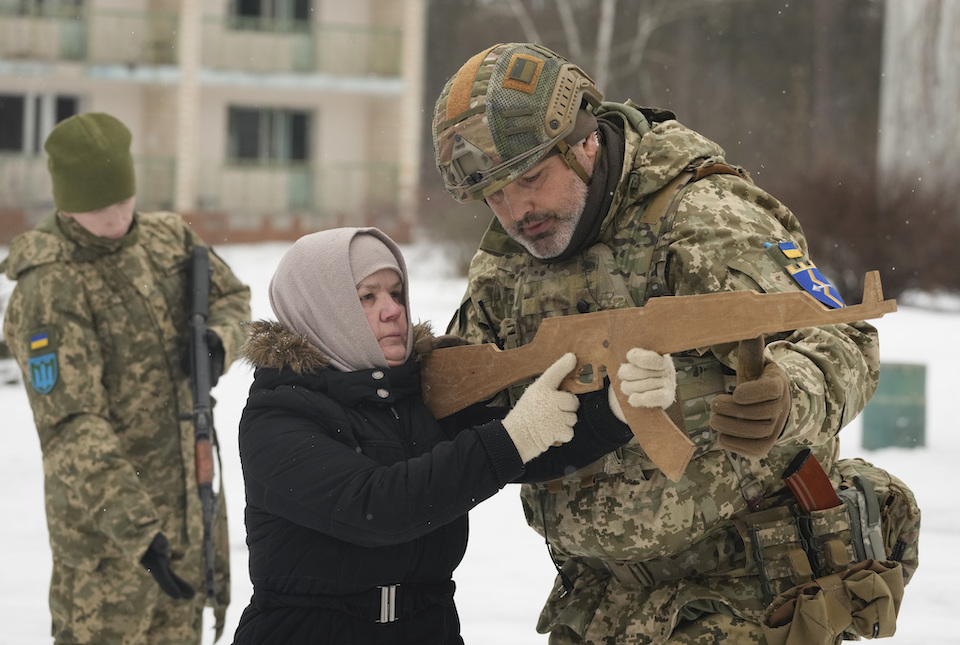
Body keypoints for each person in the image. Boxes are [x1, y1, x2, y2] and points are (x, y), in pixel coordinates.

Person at [432, 43, 918, 643]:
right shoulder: (504, 264)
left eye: (531, 178)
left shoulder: (700, 214)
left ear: (584, 141)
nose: (516, 210)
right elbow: (456, 386)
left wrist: (790, 395)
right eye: (495, 195)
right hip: (597, 602)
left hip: (744, 593)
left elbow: (838, 333)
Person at [230, 226, 675, 644]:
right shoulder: (278, 414)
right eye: (367, 297)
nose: (393, 310)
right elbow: (376, 506)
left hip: (428, 626)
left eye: (396, 292)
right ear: (322, 310)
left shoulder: (418, 392)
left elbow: (534, 447)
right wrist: (515, 434)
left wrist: (616, 409)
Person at [1, 112, 251, 644]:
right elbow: (72, 428)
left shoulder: (165, 239)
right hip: (108, 551)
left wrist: (218, 342)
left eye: (122, 199)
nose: (115, 217)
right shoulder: (50, 288)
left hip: (189, 514)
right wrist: (139, 535)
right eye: (97, 206)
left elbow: (233, 298)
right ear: (66, 203)